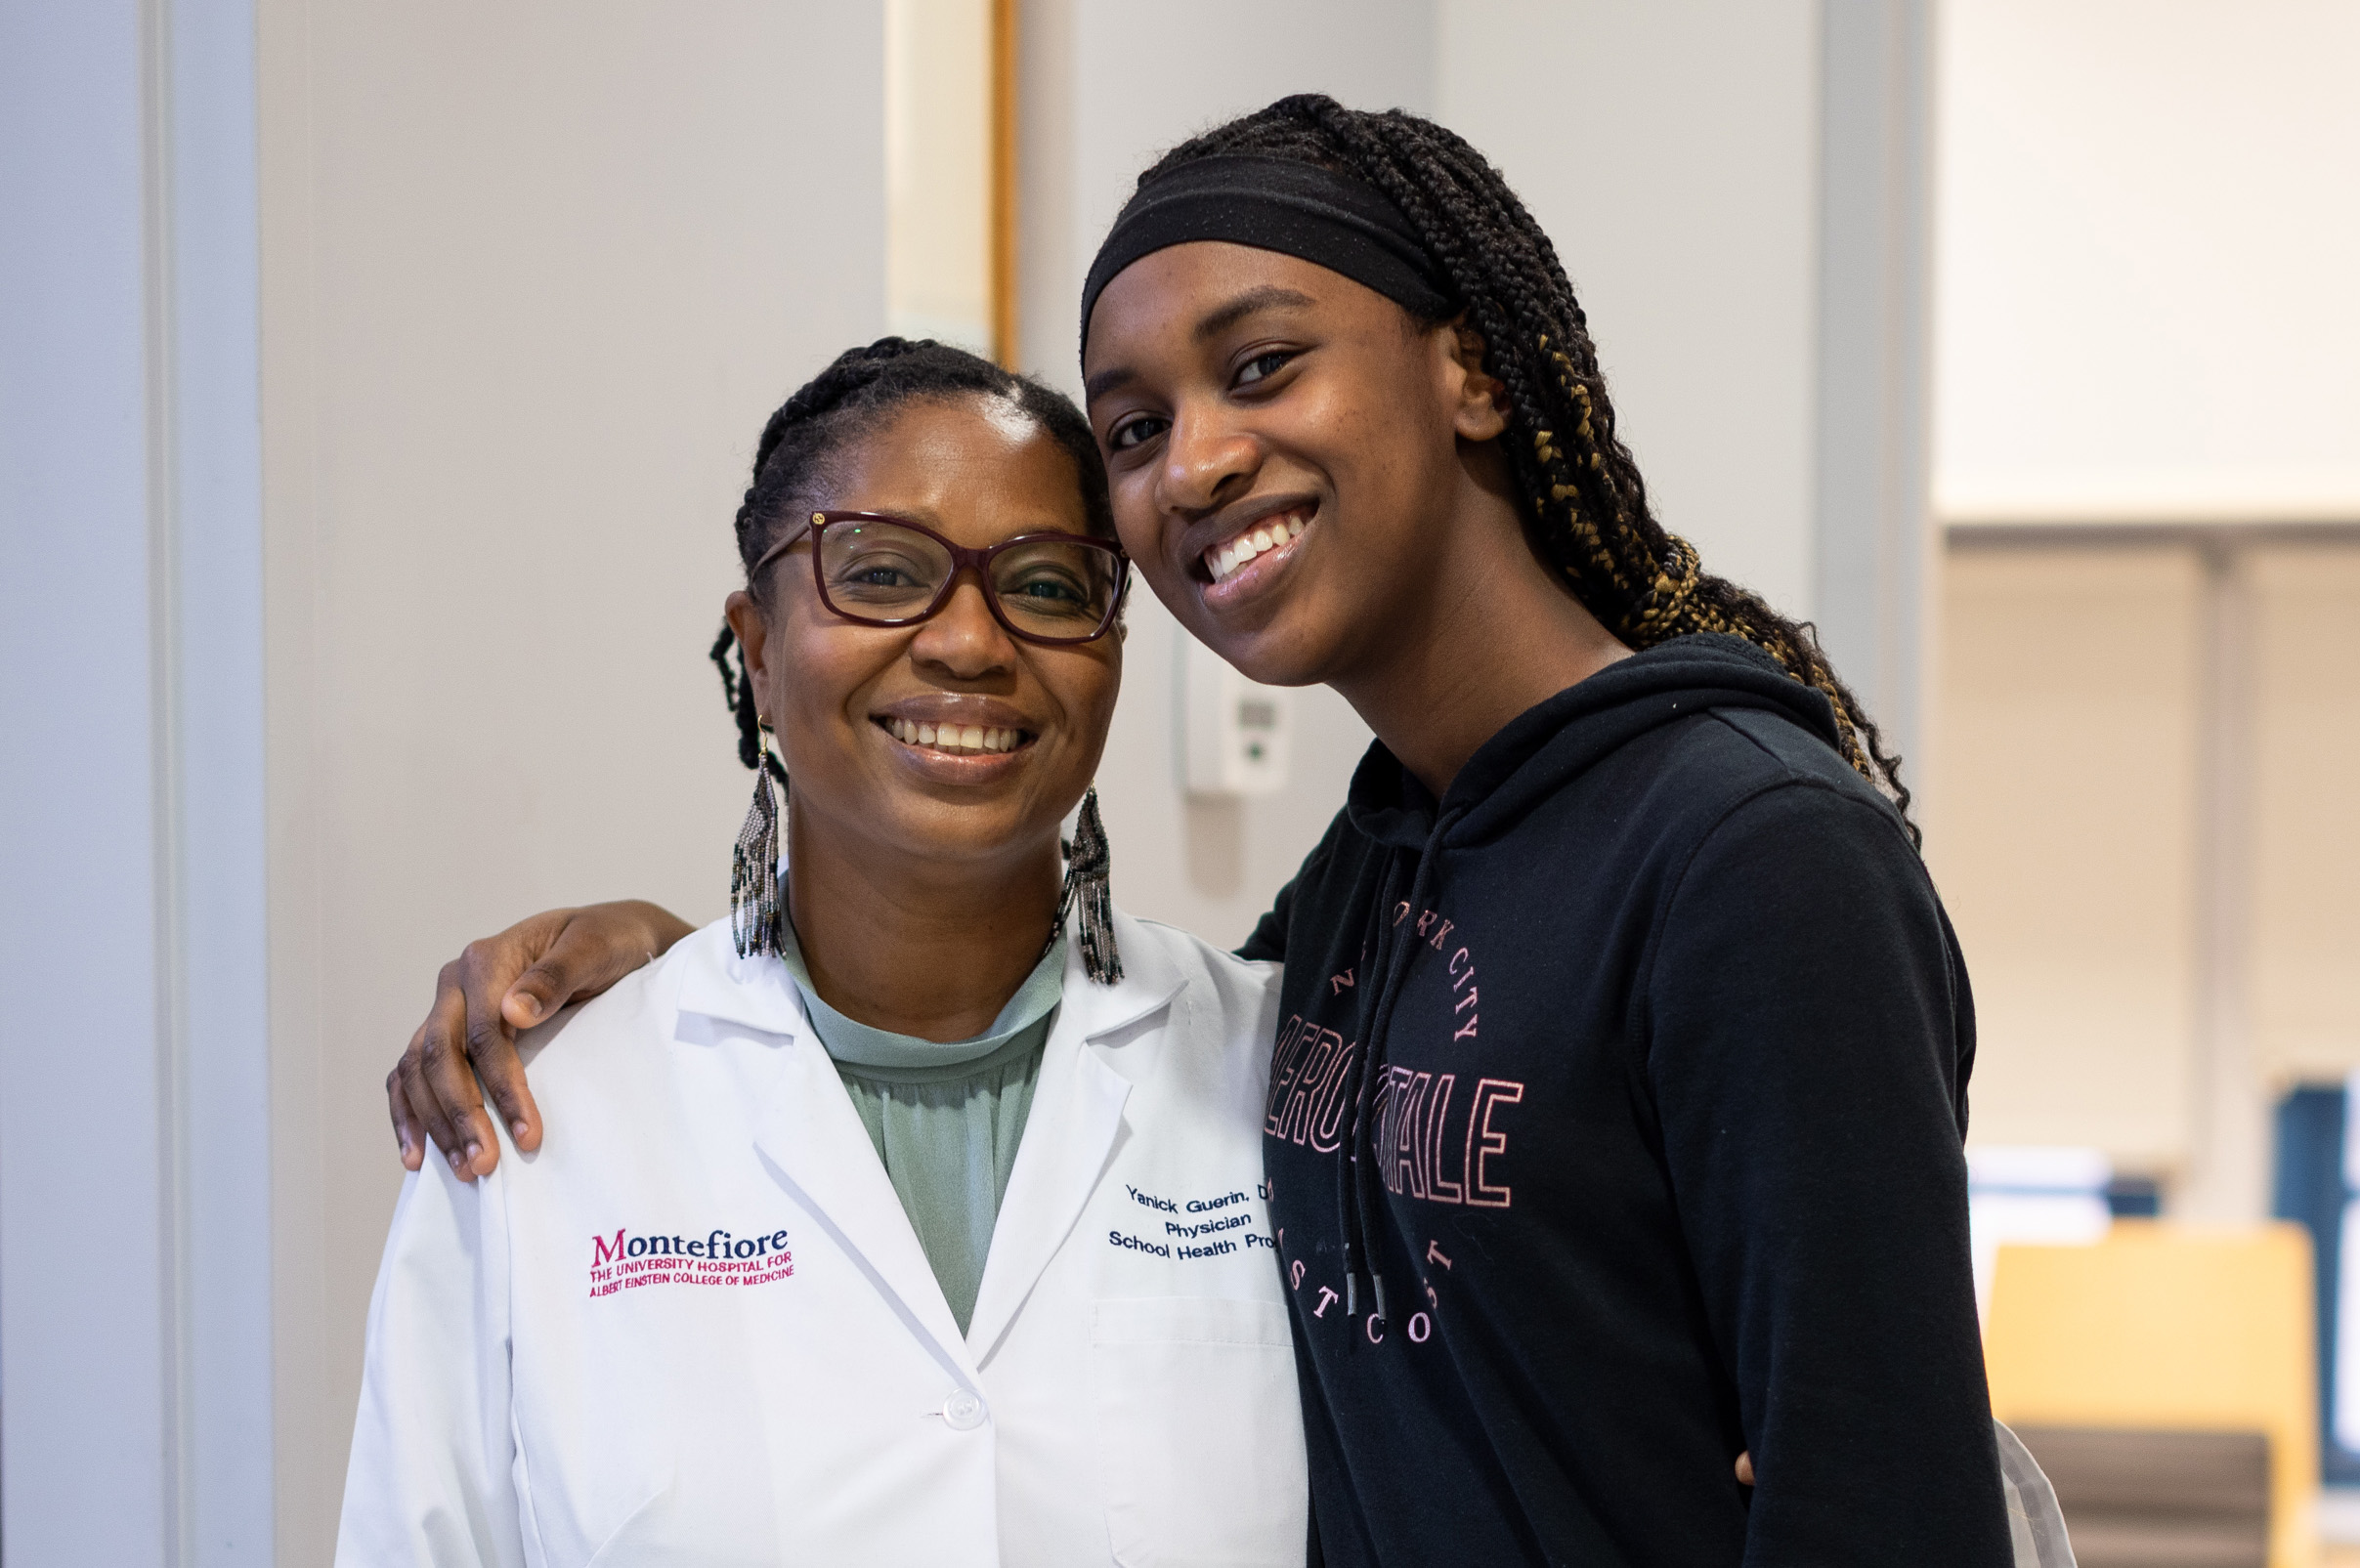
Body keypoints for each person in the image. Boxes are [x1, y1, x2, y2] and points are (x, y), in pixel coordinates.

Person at [390, 98, 2016, 1566]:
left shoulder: (1758, 856)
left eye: (1260, 366)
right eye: (1138, 429)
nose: (1202, 462)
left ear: (1472, 368)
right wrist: (689, 991)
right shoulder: (1374, 880)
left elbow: (1888, 1485)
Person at [344, 341, 1309, 1566]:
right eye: (883, 573)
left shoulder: (1283, 1077)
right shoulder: (540, 1120)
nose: (970, 642)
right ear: (756, 644)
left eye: (1050, 586)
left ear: (1112, 647)